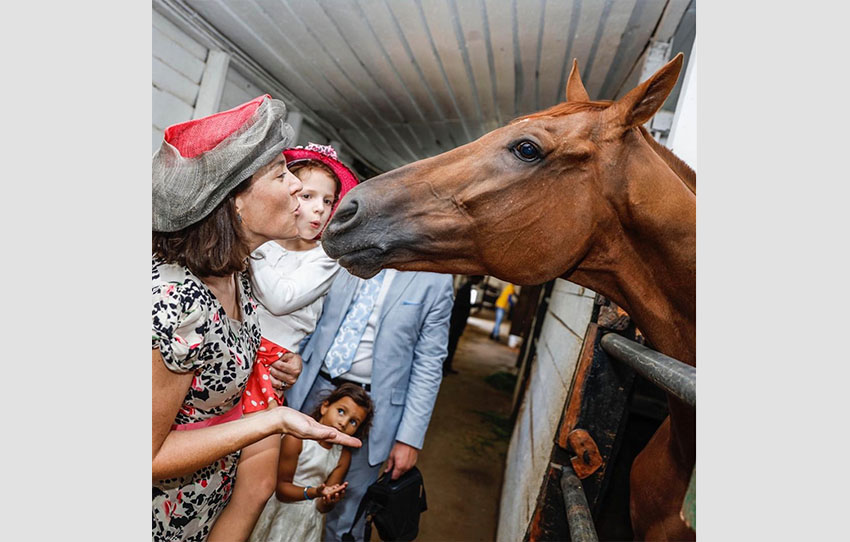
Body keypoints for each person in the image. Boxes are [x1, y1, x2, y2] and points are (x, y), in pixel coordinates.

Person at [152, 95, 361, 542]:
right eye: (281, 174)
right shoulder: (178, 299)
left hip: (205, 505)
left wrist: (271, 360)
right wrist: (273, 420)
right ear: (234, 203)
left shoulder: (237, 273)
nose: (296, 189)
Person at [208, 143, 359, 542]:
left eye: (328, 201)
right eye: (307, 195)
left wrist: (249, 244)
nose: (319, 209)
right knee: (212, 468)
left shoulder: (325, 257)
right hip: (234, 352)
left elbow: (279, 297)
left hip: (269, 367)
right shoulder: (264, 241)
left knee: (256, 486)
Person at [286, 266, 454, 542]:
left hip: (373, 412)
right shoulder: (351, 246)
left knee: (347, 515)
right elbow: (308, 315)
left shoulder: (436, 277)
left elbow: (429, 363)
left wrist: (409, 440)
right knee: (285, 489)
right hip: (314, 388)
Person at [248, 383, 374, 542]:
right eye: (341, 411)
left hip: (308, 521)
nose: (344, 423)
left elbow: (322, 506)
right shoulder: (297, 439)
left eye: (354, 422)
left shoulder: (343, 456)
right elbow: (281, 490)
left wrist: (329, 499)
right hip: (280, 512)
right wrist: (315, 492)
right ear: (325, 407)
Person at [443, 275, 484, 375]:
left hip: (459, 321)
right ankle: (443, 367)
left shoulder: (467, 288)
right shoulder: (465, 289)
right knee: (451, 345)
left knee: (453, 344)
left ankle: (447, 366)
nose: (478, 282)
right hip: (457, 321)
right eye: (478, 280)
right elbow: (461, 305)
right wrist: (474, 305)